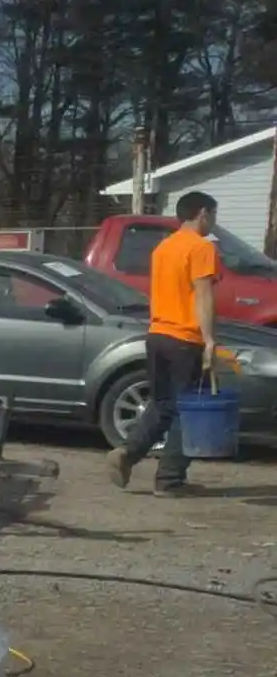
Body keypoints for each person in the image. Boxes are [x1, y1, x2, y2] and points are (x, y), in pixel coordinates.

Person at [107, 190, 219, 496]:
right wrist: (209, 341)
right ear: (202, 213)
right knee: (187, 410)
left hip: (157, 335)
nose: (213, 222)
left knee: (163, 403)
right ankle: (169, 480)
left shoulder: (163, 248)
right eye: (213, 215)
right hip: (186, 338)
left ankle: (127, 453)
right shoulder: (201, 248)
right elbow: (204, 296)